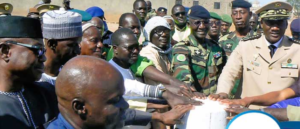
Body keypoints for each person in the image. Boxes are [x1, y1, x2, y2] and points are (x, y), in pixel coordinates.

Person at [47, 56, 195, 128]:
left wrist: (159, 116)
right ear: (80, 107)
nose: (125, 105)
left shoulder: (95, 119)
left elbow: (126, 115)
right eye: (115, 100)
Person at [213, 2, 300, 110]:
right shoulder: (246, 45)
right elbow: (230, 73)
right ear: (262, 23)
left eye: (280, 22)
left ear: (286, 24)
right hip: (248, 112)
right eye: (270, 22)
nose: (275, 28)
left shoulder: (297, 49)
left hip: (282, 115)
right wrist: (223, 92)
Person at [108, 13, 201, 98]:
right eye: (132, 28)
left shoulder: (139, 54)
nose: (136, 31)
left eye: (138, 27)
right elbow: (146, 85)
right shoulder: (143, 53)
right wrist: (181, 89)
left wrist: (183, 87)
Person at [0, 16, 58, 128]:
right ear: (5, 52)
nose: (44, 58)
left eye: (44, 51)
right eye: (38, 50)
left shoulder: (48, 93)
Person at [171, 5, 226, 96]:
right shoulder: (182, 48)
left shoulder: (216, 48)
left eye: (205, 22)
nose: (202, 26)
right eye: (197, 23)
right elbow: (183, 77)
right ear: (189, 24)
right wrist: (193, 93)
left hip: (215, 100)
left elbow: (224, 74)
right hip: (193, 100)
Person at [214, 0, 254, 99]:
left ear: (250, 14)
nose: (238, 16)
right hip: (226, 95)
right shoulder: (222, 41)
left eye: (242, 12)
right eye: (235, 13)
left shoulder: (259, 40)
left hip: (250, 97)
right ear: (231, 16)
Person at [39, 8, 81, 86]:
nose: (77, 51)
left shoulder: (72, 77)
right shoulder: (34, 80)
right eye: (71, 45)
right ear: (52, 44)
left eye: (77, 45)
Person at [140, 16, 172, 85]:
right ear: (149, 34)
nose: (164, 34)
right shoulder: (148, 53)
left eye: (166, 31)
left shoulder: (166, 52)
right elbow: (160, 84)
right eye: (159, 31)